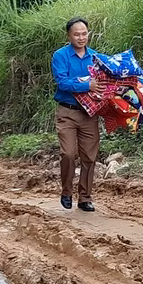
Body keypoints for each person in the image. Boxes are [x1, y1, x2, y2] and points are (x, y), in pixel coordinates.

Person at [51, 17, 104, 212]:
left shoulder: (96, 57)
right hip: (67, 112)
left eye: (84, 34)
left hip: (90, 113)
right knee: (68, 153)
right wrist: (87, 85)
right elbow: (62, 82)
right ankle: (66, 191)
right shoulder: (60, 56)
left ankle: (85, 198)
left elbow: (105, 81)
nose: (81, 38)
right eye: (76, 34)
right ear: (68, 35)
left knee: (89, 156)